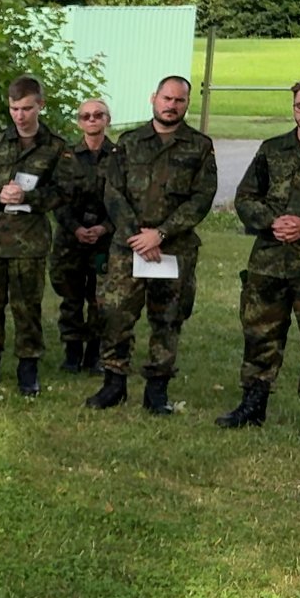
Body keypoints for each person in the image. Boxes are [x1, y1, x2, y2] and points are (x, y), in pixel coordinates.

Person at [87, 76, 218, 413]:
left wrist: (160, 234)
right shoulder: (129, 143)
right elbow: (112, 191)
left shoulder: (199, 146)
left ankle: (156, 391)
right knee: (115, 314)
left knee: (168, 318)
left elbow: (201, 198)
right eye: (166, 98)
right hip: (127, 247)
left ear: (187, 104)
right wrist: (137, 236)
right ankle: (113, 383)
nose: (171, 105)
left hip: (172, 249)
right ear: (153, 98)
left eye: (179, 100)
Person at [216, 78, 300, 439]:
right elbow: (245, 198)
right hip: (268, 263)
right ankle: (253, 406)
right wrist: (273, 221)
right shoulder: (273, 149)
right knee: (259, 335)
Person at [0, 76, 64, 397]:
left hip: (29, 242)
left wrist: (29, 199)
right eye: (14, 108)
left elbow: (64, 192)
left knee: (26, 306)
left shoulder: (56, 148)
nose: (19, 116)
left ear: (40, 106)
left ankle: (28, 365)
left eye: (26, 109)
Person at [50, 98, 116, 374]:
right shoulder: (65, 156)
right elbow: (56, 197)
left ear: (107, 120)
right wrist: (76, 228)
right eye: (86, 116)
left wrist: (104, 227)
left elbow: (126, 198)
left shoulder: (120, 156)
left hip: (105, 240)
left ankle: (95, 353)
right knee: (71, 296)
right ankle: (72, 351)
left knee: (100, 297)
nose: (92, 120)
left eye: (98, 115)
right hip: (70, 239)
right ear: (79, 121)